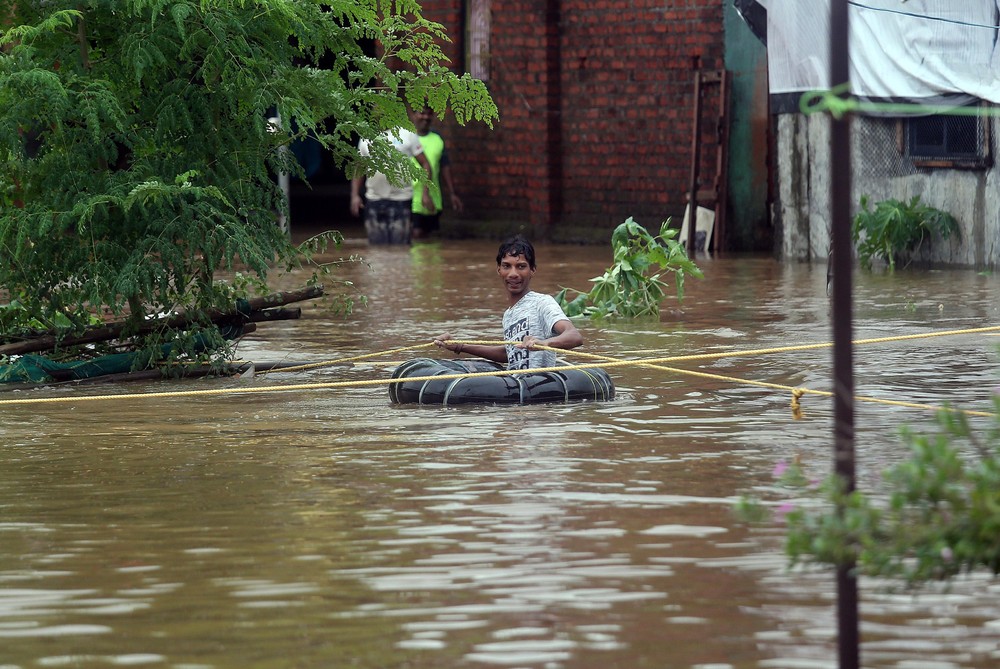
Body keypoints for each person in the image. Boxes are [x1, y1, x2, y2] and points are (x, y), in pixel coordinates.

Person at [434, 235, 583, 369]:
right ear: (499, 270)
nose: (513, 274)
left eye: (521, 266)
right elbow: (509, 354)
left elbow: (574, 336)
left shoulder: (542, 303)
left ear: (533, 270)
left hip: (539, 387)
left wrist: (544, 344)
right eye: (507, 266)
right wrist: (459, 346)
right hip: (515, 388)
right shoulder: (508, 315)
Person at [350, 126, 435, 244]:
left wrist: (425, 193)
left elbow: (425, 164)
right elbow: (359, 168)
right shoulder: (366, 136)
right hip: (374, 200)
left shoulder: (407, 134)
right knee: (375, 250)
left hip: (401, 200)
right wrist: (355, 195)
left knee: (401, 249)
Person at [409, 106, 463, 240]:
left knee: (427, 238)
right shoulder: (405, 137)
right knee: (414, 234)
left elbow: (444, 166)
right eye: (422, 113)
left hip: (432, 199)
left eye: (429, 114)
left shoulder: (437, 139)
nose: (426, 117)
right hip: (408, 198)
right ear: (413, 115)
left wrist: (452, 193)